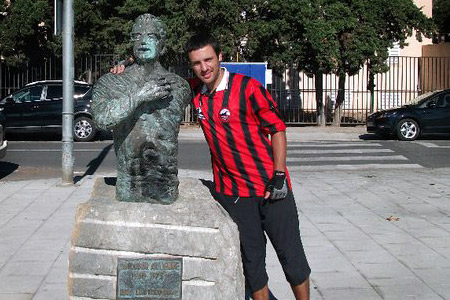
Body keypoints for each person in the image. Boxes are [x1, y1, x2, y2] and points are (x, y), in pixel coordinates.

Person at [112, 32, 311, 300]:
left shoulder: (248, 88)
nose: (204, 68)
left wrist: (278, 174)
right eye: (197, 63)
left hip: (270, 189)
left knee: (292, 259)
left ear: (220, 58)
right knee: (253, 266)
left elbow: (277, 129)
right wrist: (127, 65)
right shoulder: (195, 91)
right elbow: (160, 79)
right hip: (235, 195)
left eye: (208, 60)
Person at [93, 14, 191, 204]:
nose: (142, 40)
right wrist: (139, 96)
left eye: (151, 36)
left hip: (165, 184)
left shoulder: (179, 86)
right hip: (128, 183)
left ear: (162, 46)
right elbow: (102, 119)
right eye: (136, 36)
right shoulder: (112, 83)